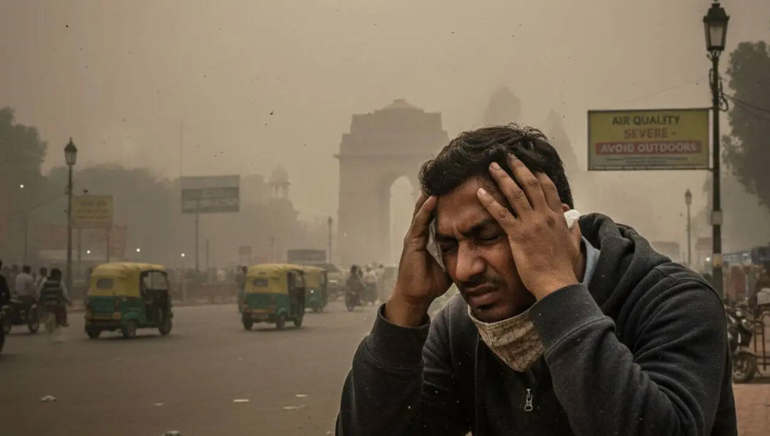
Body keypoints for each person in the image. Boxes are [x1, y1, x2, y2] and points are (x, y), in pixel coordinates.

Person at [337, 125, 736, 435]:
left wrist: (555, 288)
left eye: (489, 236)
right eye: (449, 245)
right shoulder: (463, 327)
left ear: (557, 224)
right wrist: (405, 307)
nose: (463, 270)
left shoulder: (674, 302)